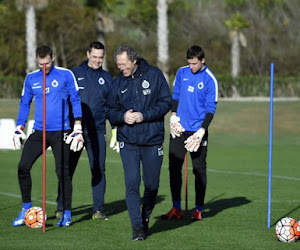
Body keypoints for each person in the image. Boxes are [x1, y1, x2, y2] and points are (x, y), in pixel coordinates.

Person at [12, 45, 84, 228]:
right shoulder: (31, 78)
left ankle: (66, 213)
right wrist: (19, 127)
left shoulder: (65, 74)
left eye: (48, 63)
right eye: (41, 64)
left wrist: (78, 126)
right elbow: (24, 104)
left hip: (61, 131)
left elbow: (75, 99)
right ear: (37, 60)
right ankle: (26, 208)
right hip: (39, 131)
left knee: (63, 172)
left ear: (53, 57)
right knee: (23, 167)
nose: (45, 67)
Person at [106, 44, 172, 241]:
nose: (121, 68)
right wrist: (122, 116)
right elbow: (109, 110)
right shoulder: (117, 84)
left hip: (152, 139)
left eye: (124, 64)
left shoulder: (155, 75)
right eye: (118, 64)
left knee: (151, 185)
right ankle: (137, 227)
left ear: (134, 60)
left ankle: (144, 217)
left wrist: (144, 115)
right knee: (132, 184)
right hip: (128, 141)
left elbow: (166, 102)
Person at [56, 41, 114, 221]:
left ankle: (98, 210)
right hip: (75, 131)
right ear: (87, 54)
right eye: (95, 57)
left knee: (99, 169)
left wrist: (116, 129)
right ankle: (61, 207)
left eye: (101, 58)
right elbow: (62, 100)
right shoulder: (73, 74)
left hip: (97, 131)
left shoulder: (107, 78)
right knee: (67, 170)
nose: (98, 61)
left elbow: (111, 106)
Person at [161, 45, 218, 221]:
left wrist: (202, 131)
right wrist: (173, 117)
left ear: (202, 60)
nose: (191, 67)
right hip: (179, 129)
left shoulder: (210, 80)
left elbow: (210, 109)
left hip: (197, 132)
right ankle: (176, 207)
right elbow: (176, 96)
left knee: (199, 170)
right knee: (174, 168)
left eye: (194, 63)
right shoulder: (181, 72)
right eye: (189, 63)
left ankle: (198, 209)